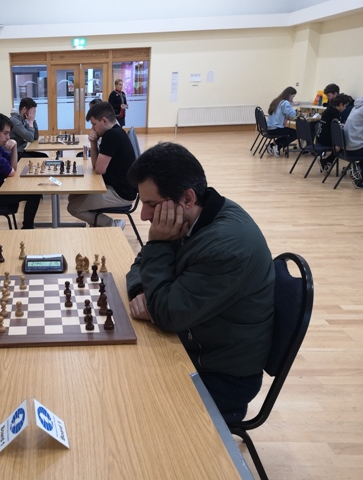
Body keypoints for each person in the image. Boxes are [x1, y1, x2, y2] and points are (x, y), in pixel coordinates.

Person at [125, 142, 275, 423]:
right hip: (196, 341)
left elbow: (167, 314)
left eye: (151, 204)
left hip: (221, 374)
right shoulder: (193, 217)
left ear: (187, 198)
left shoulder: (225, 247)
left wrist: (158, 245)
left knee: (128, 403)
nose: (143, 215)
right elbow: (140, 263)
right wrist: (141, 290)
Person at [67, 101, 137, 229]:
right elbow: (96, 166)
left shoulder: (111, 136)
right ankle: (98, 226)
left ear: (104, 120)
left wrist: (94, 143)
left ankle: (112, 225)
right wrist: (93, 143)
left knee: (73, 208)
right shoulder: (116, 131)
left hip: (120, 194)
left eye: (94, 124)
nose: (93, 129)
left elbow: (99, 169)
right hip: (117, 187)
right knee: (73, 197)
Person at [316, 93, 351, 172]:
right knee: (345, 145)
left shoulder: (328, 109)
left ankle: (327, 162)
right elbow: (335, 130)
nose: (345, 108)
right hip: (326, 140)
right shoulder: (335, 115)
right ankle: (326, 161)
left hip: (319, 138)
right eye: (345, 106)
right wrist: (336, 144)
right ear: (341, 104)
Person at [266, 86, 297, 157]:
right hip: (276, 128)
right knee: (296, 133)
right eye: (293, 96)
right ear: (289, 95)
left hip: (269, 128)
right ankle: (278, 146)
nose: (293, 99)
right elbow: (293, 114)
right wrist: (291, 105)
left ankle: (272, 145)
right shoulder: (285, 103)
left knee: (289, 132)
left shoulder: (276, 101)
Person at [344, 96, 363, 189]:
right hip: (355, 148)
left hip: (346, 147)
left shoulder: (355, 107)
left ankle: (358, 169)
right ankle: (360, 178)